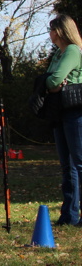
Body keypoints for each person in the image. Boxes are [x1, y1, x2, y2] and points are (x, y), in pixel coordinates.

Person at [46, 15, 82, 226]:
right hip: (61, 111)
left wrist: (53, 83)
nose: (50, 34)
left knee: (79, 163)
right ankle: (69, 214)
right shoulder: (58, 54)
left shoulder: (72, 51)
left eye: (51, 30)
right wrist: (52, 83)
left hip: (75, 111)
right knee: (67, 166)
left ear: (59, 31)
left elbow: (54, 80)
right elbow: (48, 79)